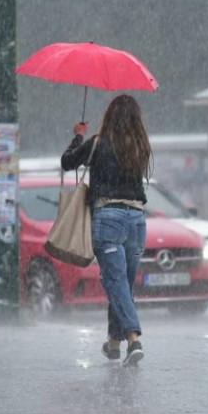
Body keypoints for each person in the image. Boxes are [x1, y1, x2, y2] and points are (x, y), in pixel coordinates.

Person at [62, 95, 151, 366]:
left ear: (109, 116)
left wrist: (78, 136)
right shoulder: (140, 146)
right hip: (137, 220)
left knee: (116, 281)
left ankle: (134, 339)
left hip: (108, 218)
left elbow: (67, 163)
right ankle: (114, 343)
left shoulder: (98, 143)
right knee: (121, 283)